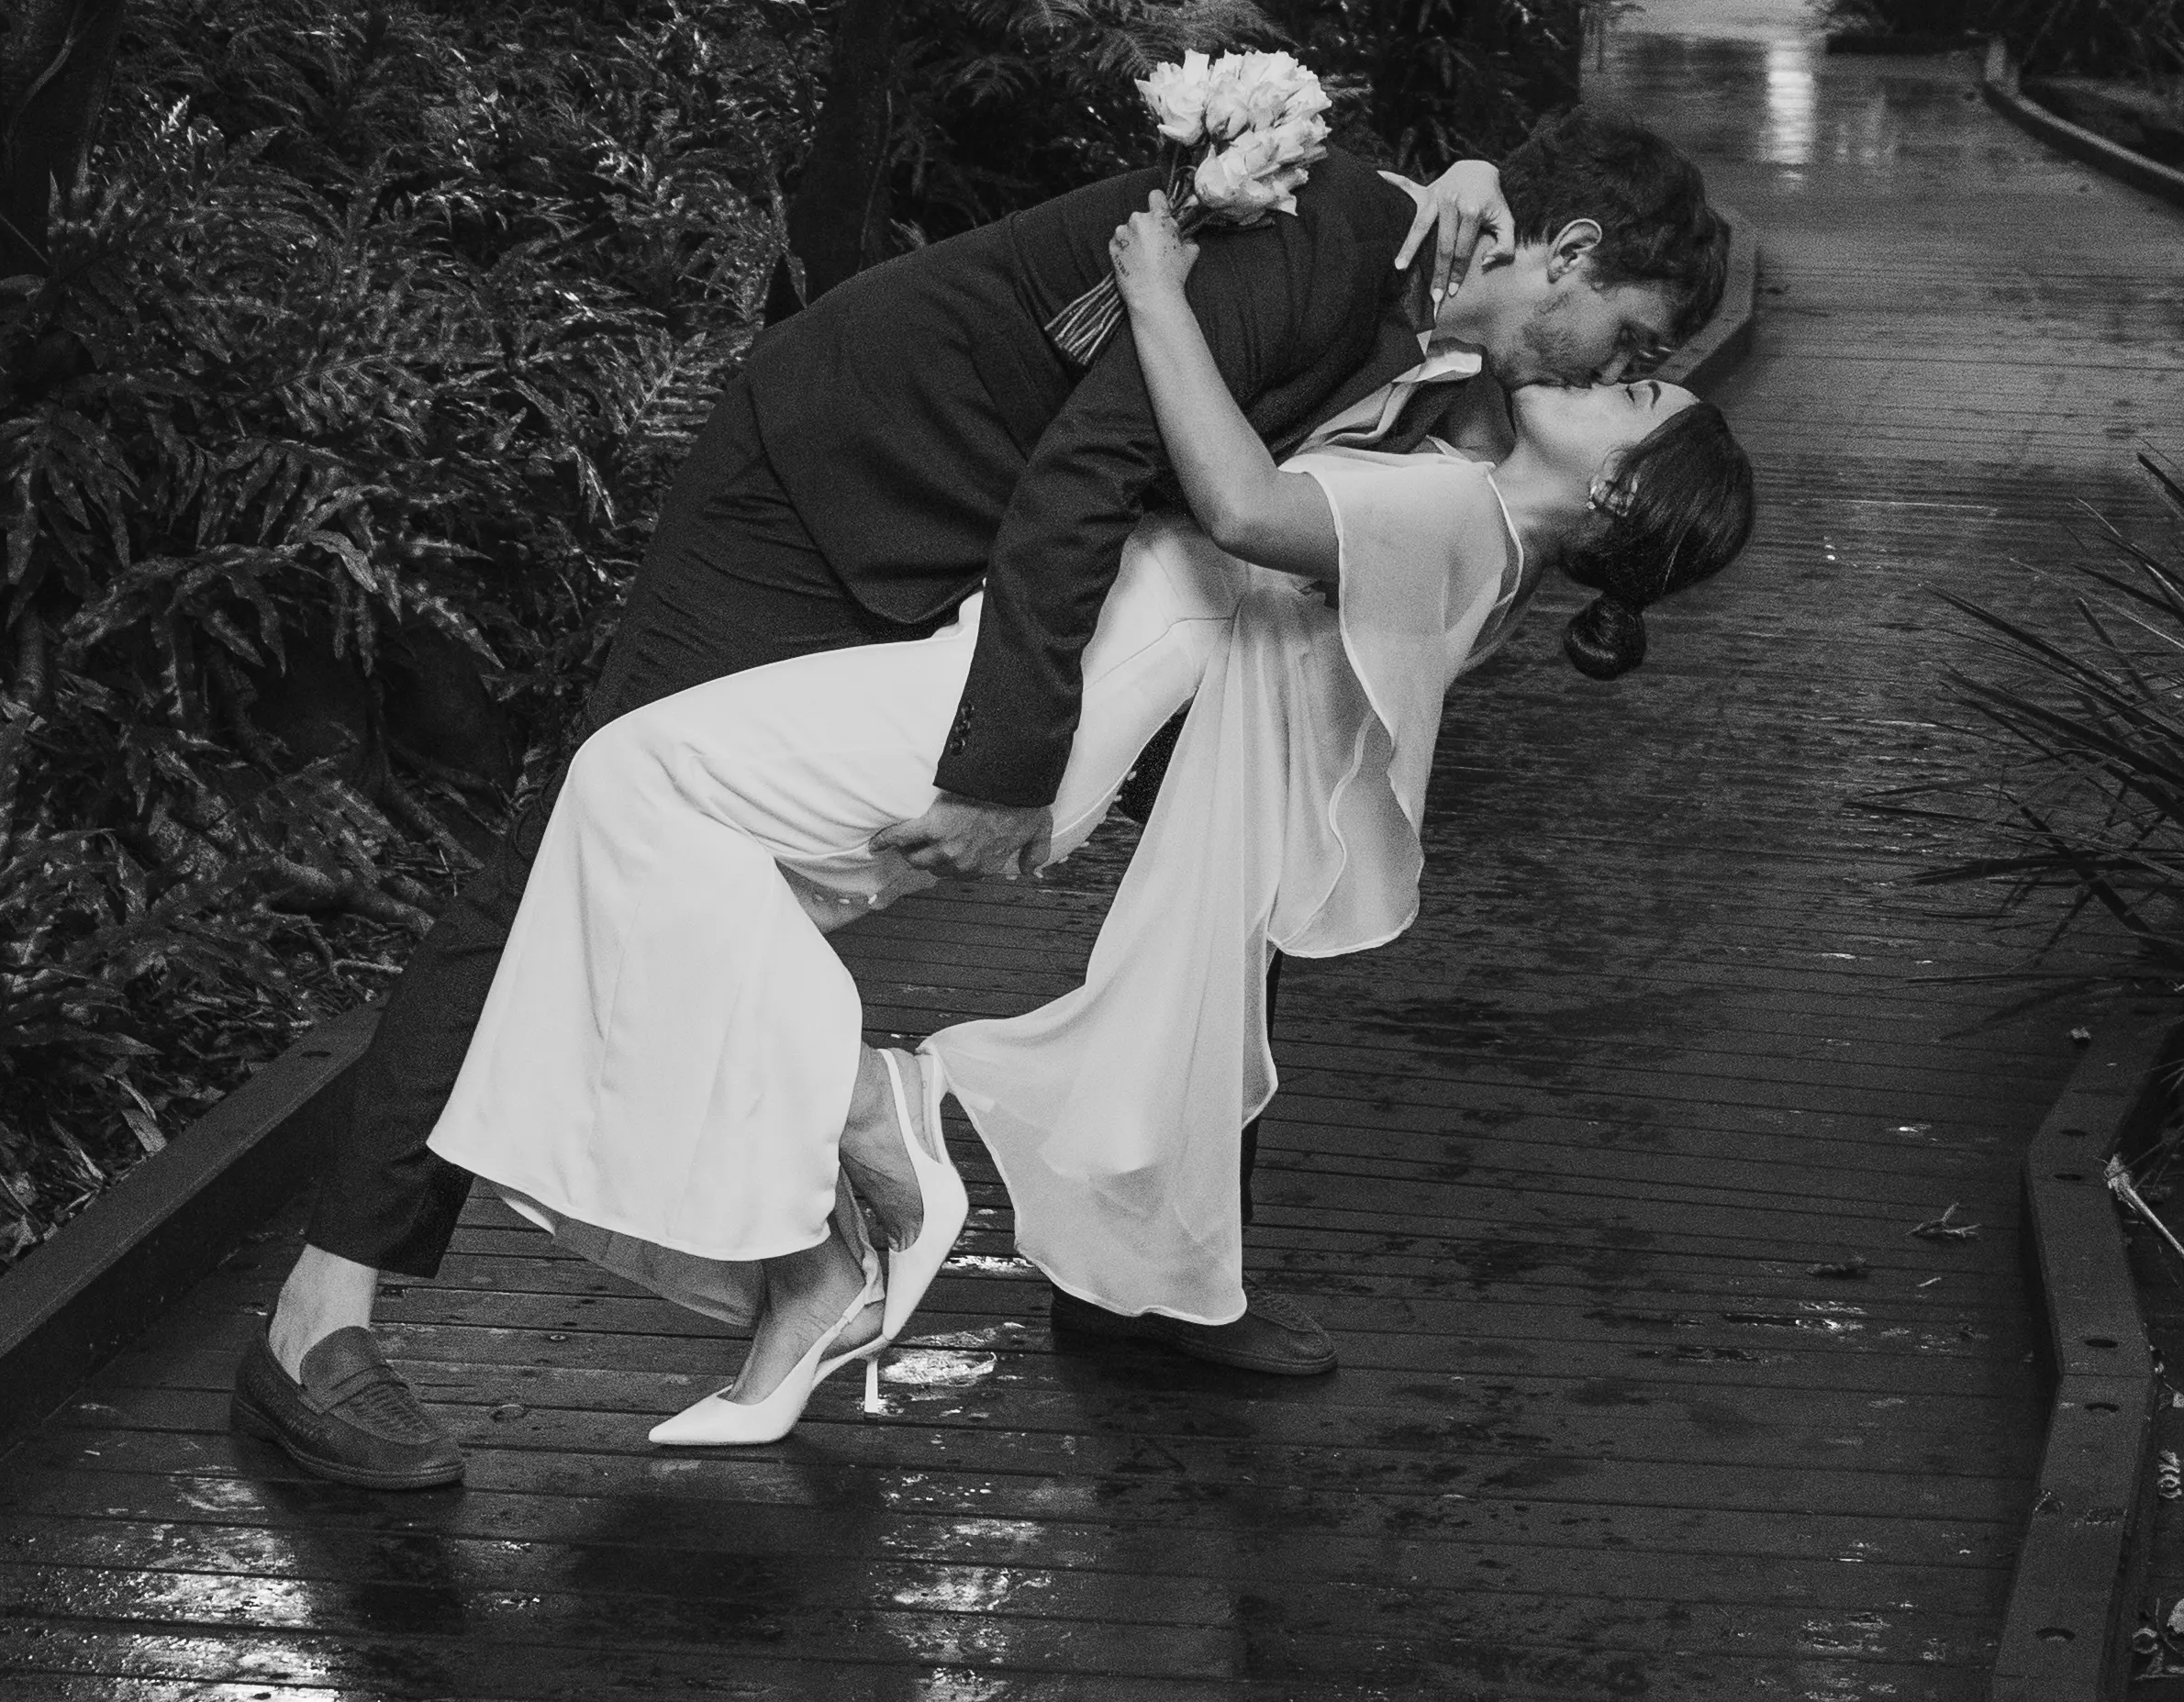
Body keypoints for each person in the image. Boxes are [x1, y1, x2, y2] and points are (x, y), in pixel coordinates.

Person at [233, 98, 1726, 1486]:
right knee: (581, 825)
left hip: (1028, 570)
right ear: (1574, 258)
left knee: (1241, 880)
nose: (1612, 371)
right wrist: (1000, 779)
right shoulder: (1322, 251)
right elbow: (1085, 477)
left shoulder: (1451, 322)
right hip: (845, 481)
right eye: (1630, 338)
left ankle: (1144, 1272)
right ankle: (324, 1313)